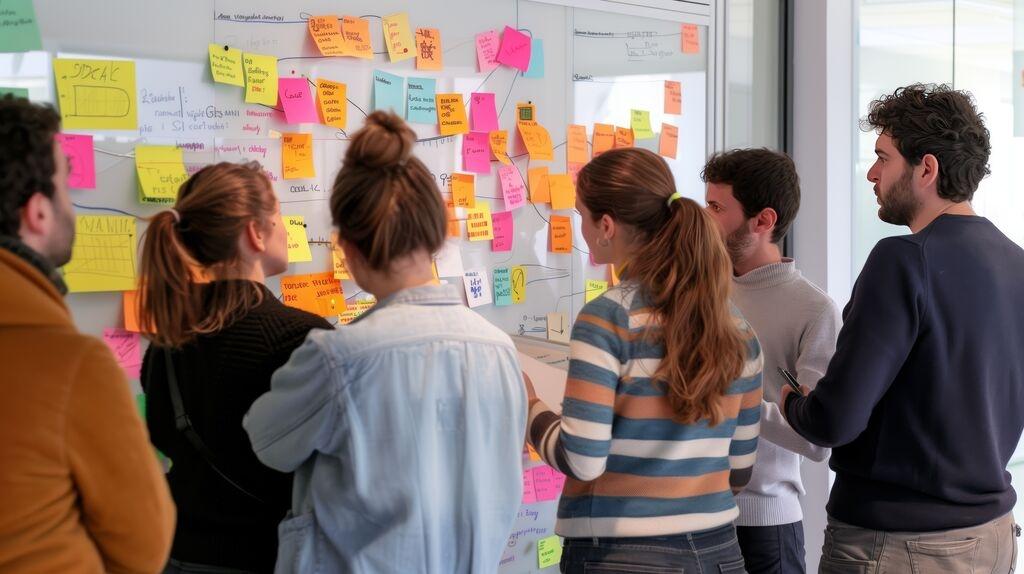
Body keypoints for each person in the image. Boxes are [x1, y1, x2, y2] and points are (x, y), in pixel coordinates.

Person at [243, 111, 527, 573]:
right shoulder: (499, 350)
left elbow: (267, 442)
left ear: (347, 249)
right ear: (438, 235)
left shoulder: (339, 356)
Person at [783, 84, 1024, 571]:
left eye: (882, 158)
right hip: (993, 536)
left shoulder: (902, 260)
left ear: (926, 169)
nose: (871, 173)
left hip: (900, 544)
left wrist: (792, 400)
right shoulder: (1016, 263)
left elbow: (833, 421)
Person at [524, 147, 764, 573]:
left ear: (606, 226)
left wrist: (530, 408)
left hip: (622, 555)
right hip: (720, 553)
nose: (581, 229)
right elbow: (739, 472)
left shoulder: (609, 318)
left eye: (581, 215)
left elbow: (582, 460)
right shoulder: (737, 328)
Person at [0, 94, 175, 571]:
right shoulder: (70, 365)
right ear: (38, 212)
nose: (72, 206)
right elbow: (143, 546)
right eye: (65, 185)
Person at [137, 161, 332, 574]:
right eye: (278, 217)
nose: (285, 229)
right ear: (254, 233)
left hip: (173, 554)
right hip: (266, 558)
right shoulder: (302, 338)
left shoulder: (164, 345)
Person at [703, 149, 839, 573]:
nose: (705, 218)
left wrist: (727, 399)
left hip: (765, 530)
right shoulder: (702, 290)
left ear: (763, 221)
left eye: (716, 208)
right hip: (693, 517)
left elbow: (816, 441)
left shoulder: (815, 310)